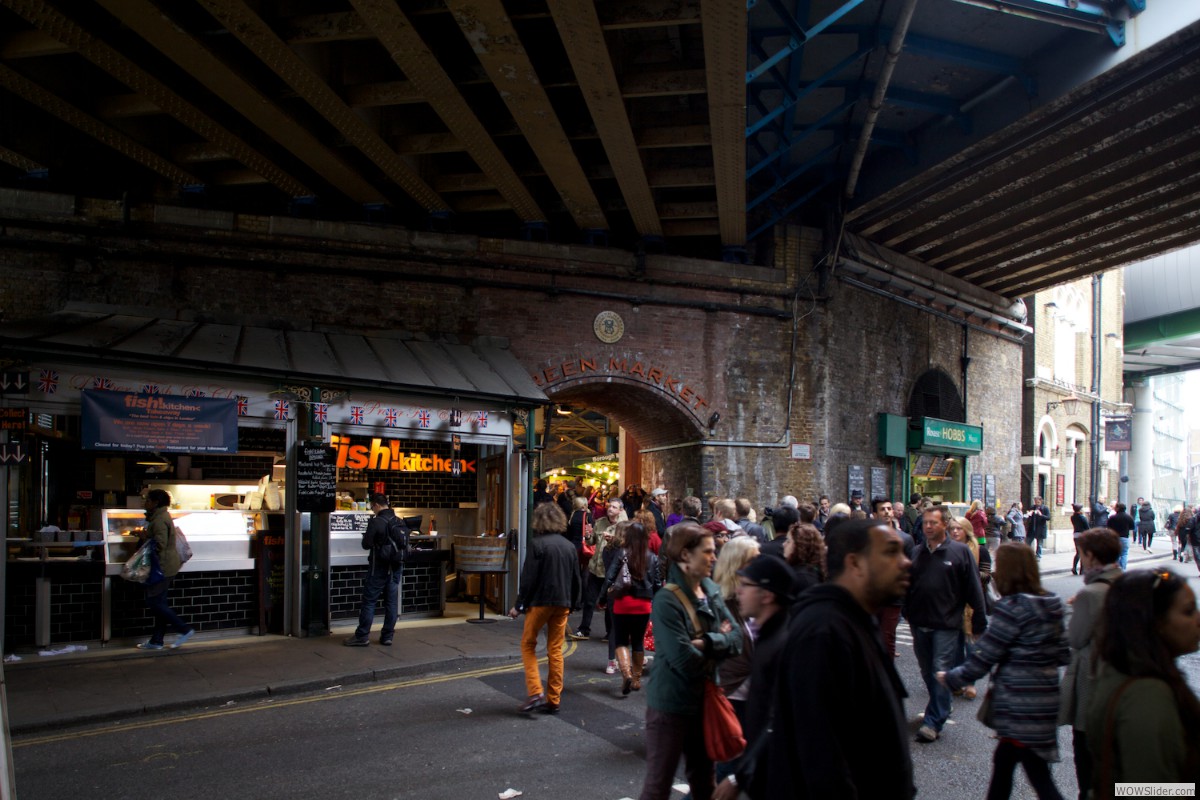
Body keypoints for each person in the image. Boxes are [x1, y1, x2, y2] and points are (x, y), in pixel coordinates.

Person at [765, 518, 915, 799]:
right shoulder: (823, 632)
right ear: (855, 563)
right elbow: (821, 756)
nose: (906, 561)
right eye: (890, 552)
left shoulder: (857, 620)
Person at [939, 544, 1070, 800]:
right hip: (1044, 699)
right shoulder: (1051, 605)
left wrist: (952, 677)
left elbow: (986, 654)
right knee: (1005, 763)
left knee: (1038, 776)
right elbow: (1063, 653)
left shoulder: (1013, 608)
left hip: (1020, 704)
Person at [639, 523, 742, 800]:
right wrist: (719, 642)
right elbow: (682, 659)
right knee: (658, 786)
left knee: (703, 781)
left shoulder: (710, 589)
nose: (714, 557)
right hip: (670, 704)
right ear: (685, 555)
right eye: (707, 552)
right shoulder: (666, 600)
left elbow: (738, 641)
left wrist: (707, 642)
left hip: (704, 701)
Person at [1086, 569, 1200, 790]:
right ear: (1155, 622)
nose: (1198, 620)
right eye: (1188, 611)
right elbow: (1149, 790)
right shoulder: (1147, 695)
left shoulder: (1132, 672)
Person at [712, 554, 794, 800]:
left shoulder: (781, 645)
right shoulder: (771, 635)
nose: (739, 591)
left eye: (747, 586)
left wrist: (739, 777)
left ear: (767, 595)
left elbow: (781, 720)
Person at [907, 505, 988, 742]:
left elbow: (974, 588)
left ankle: (933, 722)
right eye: (925, 523)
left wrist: (979, 618)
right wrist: (906, 609)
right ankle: (942, 704)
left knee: (939, 669)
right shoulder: (917, 552)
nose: (928, 527)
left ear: (944, 524)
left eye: (933, 522)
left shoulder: (960, 552)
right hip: (919, 622)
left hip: (946, 624)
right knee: (926, 670)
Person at [1058, 528, 1122, 800]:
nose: (1080, 558)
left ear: (1091, 556)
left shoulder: (1091, 593)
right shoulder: (1125, 583)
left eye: (1082, 553)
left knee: (1087, 757)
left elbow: (1075, 637)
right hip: (1119, 679)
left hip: (1092, 680)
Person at [508, 502, 581, 714]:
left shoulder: (537, 544)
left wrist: (519, 605)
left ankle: (535, 692)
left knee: (528, 644)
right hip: (563, 603)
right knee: (555, 649)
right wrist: (574, 602)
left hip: (540, 602)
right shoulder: (569, 546)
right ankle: (553, 699)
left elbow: (529, 578)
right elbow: (576, 578)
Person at [599, 521, 661, 695]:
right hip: (643, 605)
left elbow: (610, 578)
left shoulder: (622, 553)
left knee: (621, 641)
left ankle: (626, 673)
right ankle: (636, 679)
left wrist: (602, 598)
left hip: (622, 603)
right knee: (638, 642)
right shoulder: (652, 557)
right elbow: (657, 584)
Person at [134, 489, 195, 650]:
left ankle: (184, 629)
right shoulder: (161, 516)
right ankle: (156, 640)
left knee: (154, 602)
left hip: (163, 566)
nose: (145, 503)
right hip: (168, 565)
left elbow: (160, 543)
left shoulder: (159, 519)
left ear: (155, 503)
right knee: (160, 602)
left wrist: (144, 537)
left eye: (148, 500)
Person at [344, 493, 406, 647]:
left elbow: (366, 544)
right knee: (391, 604)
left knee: (369, 602)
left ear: (377, 505)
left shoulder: (376, 522)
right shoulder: (399, 521)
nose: (372, 510)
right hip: (395, 569)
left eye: (372, 507)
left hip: (378, 568)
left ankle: (362, 636)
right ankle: (387, 637)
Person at [947, 516, 989, 701]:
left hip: (973, 604)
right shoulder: (946, 550)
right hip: (953, 604)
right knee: (955, 646)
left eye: (959, 528)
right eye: (952, 529)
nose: (955, 532)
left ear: (967, 530)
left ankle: (970, 682)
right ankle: (957, 681)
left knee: (972, 646)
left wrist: (967, 572)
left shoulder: (980, 551)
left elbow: (986, 575)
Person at [580, 497, 626, 643]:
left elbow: (627, 546)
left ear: (620, 510)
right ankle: (583, 629)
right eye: (609, 506)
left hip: (612, 571)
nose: (610, 509)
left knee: (609, 604)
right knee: (589, 600)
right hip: (595, 568)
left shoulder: (623, 527)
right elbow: (591, 541)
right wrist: (588, 535)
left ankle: (609, 632)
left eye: (613, 507)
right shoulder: (600, 523)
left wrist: (614, 541)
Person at [567, 495, 595, 640]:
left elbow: (569, 533)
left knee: (574, 575)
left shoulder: (572, 516)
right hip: (584, 549)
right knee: (585, 575)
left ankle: (574, 602)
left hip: (573, 548)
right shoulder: (587, 516)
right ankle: (584, 599)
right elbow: (591, 532)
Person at [1106, 502, 1136, 570]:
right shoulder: (1129, 517)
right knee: (1124, 554)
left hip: (1114, 538)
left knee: (1116, 554)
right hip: (1125, 537)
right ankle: (1123, 569)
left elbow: (1108, 527)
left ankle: (1116, 569)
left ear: (1118, 508)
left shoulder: (1112, 518)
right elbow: (1132, 527)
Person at [1069, 503, 1089, 576]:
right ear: (1080, 509)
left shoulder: (1072, 517)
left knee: (1078, 552)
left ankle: (1074, 567)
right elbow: (1087, 527)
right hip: (1082, 535)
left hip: (1075, 535)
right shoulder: (1082, 517)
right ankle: (1082, 570)